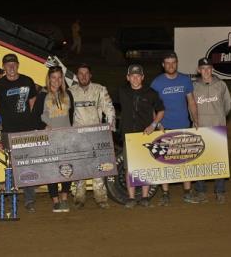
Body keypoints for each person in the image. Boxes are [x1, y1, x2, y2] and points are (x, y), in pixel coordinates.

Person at [151, 53, 199, 206]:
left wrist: (195, 120)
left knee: (185, 160)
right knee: (164, 161)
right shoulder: (156, 83)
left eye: (173, 63)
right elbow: (152, 106)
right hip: (164, 127)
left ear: (177, 63)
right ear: (163, 64)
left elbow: (191, 101)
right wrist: (157, 124)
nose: (171, 66)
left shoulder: (185, 79)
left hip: (183, 125)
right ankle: (165, 194)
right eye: (167, 63)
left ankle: (187, 192)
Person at [0, 53, 38, 213]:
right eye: (8, 64)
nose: (11, 67)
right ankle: (12, 199)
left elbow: (33, 103)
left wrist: (33, 125)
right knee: (11, 166)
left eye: (13, 64)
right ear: (4, 67)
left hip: (26, 131)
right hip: (8, 132)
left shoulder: (27, 81)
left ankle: (30, 199)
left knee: (27, 165)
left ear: (18, 65)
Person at [69, 63, 116, 209]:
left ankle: (101, 197)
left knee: (99, 167)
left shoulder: (100, 89)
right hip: (77, 135)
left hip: (96, 135)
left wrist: (109, 129)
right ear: (77, 76)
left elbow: (109, 109)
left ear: (90, 75)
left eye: (86, 73)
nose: (83, 76)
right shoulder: (70, 91)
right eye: (80, 74)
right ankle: (79, 196)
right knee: (79, 166)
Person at [119, 64, 165, 208]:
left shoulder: (151, 93)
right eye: (132, 75)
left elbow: (161, 111)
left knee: (145, 166)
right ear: (127, 77)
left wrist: (154, 125)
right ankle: (131, 198)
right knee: (129, 168)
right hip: (128, 136)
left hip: (145, 135)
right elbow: (107, 102)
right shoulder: (121, 92)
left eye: (138, 75)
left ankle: (145, 197)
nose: (135, 78)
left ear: (143, 77)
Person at [32, 66, 74, 212]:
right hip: (50, 139)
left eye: (59, 77)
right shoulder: (43, 95)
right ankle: (55, 200)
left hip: (66, 138)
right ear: (49, 79)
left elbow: (72, 115)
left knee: (68, 168)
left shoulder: (68, 94)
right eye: (53, 77)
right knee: (52, 170)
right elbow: (35, 116)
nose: (56, 80)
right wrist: (44, 126)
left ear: (62, 79)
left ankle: (64, 198)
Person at [193, 57, 231, 204]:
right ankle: (201, 191)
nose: (206, 71)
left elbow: (227, 105)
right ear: (198, 70)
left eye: (208, 68)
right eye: (203, 68)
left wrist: (219, 118)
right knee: (200, 161)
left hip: (217, 127)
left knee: (218, 160)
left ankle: (220, 191)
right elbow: (190, 105)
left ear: (212, 69)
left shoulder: (221, 85)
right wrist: (195, 120)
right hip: (200, 127)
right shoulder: (194, 86)